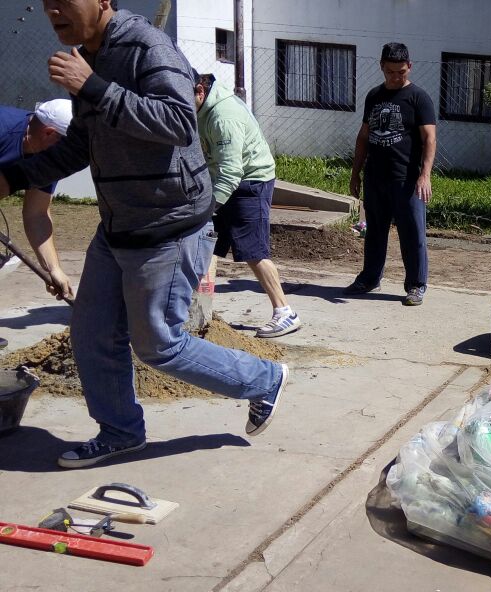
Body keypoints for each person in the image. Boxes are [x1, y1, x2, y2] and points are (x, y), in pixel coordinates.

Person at [0, 1, 289, 469]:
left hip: (169, 227)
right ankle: (119, 432)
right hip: (119, 226)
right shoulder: (87, 57)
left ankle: (264, 379)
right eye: (47, 0)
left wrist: (93, 85)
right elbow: (83, 143)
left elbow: (178, 123)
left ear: (103, 2)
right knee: (92, 334)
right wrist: (14, 179)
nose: (53, 9)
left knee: (158, 344)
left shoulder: (147, 47)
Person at [194, 73, 301, 338]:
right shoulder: (204, 106)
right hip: (227, 179)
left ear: (199, 91)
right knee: (204, 243)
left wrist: (208, 208)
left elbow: (231, 172)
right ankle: (195, 310)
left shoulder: (223, 117)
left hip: (250, 182)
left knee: (253, 251)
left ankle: (285, 313)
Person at [343, 42, 436, 306]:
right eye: (391, 72)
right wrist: (355, 173)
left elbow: (429, 139)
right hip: (376, 177)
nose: (396, 77)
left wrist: (425, 175)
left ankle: (416, 285)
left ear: (410, 67)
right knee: (375, 232)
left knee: (412, 233)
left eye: (401, 72)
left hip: (406, 180)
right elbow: (363, 136)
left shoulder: (419, 98)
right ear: (382, 67)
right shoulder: (373, 96)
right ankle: (370, 278)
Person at [0, 99, 73, 301]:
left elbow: (37, 213)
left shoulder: (48, 159)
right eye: (69, 145)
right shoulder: (3, 127)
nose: (72, 154)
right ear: (49, 133)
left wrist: (54, 269)